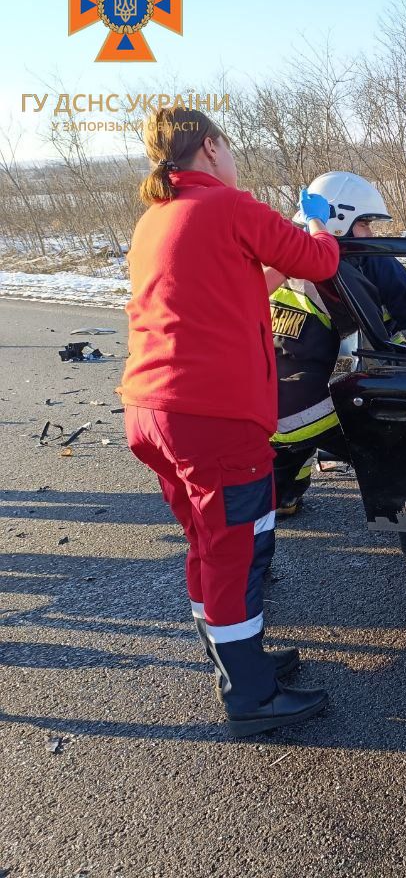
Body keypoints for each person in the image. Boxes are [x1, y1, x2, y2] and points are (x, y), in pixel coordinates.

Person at [120, 106, 339, 736]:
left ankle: (239, 663)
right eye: (230, 146)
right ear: (211, 147)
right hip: (212, 418)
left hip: (152, 412)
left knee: (205, 542)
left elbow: (241, 283)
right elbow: (319, 264)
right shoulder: (229, 205)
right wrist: (319, 230)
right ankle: (249, 696)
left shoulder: (158, 218)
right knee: (233, 553)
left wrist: (290, 248)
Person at [270, 171, 406, 518]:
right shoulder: (356, 264)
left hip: (263, 410)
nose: (370, 234)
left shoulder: (278, 258)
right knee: (398, 455)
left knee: (288, 447)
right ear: (338, 223)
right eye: (364, 224)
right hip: (312, 408)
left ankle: (282, 498)